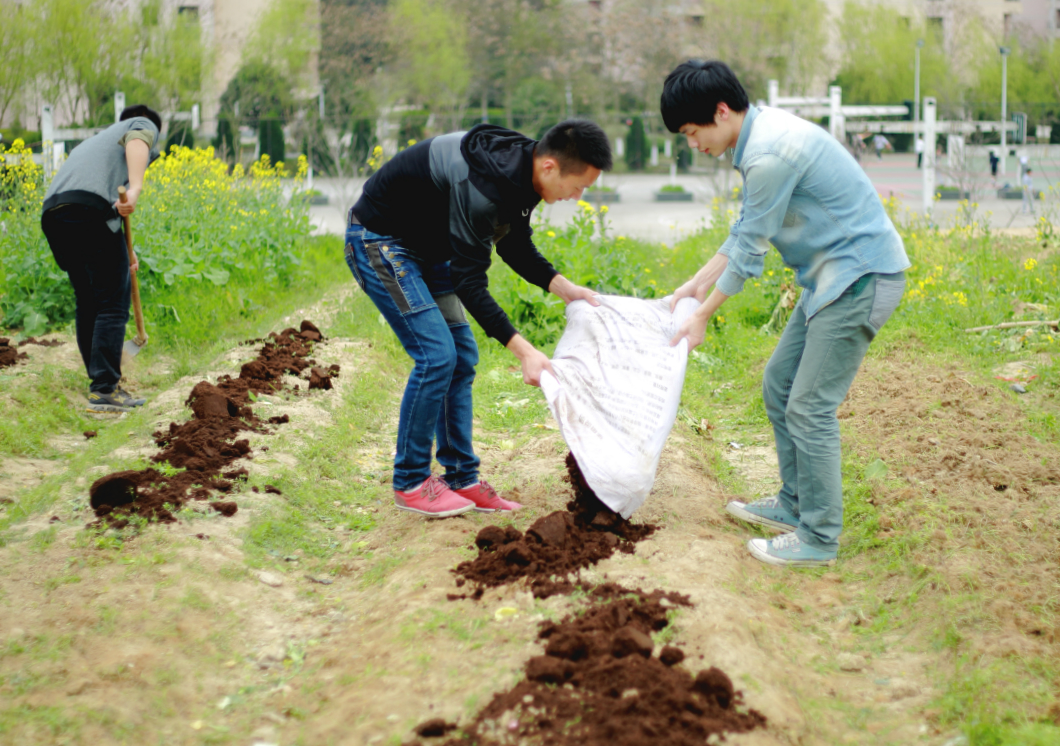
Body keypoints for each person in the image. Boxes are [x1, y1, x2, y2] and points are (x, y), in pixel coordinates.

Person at [659, 60, 909, 568]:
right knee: (780, 384)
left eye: (691, 132)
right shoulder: (760, 136)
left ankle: (818, 538)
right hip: (831, 280)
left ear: (721, 111)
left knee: (810, 406)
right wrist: (693, 286)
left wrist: (703, 314)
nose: (693, 144)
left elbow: (750, 250)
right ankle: (794, 506)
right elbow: (745, 229)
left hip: (860, 279)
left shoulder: (769, 154)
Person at [346, 120, 611, 518]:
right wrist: (525, 351)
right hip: (380, 242)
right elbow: (469, 283)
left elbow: (515, 243)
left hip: (429, 250)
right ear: (551, 166)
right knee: (437, 356)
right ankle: (411, 482)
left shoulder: (526, 170)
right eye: (578, 187)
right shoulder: (484, 186)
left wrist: (566, 289)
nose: (577, 197)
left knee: (461, 357)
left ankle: (460, 477)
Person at [40, 105, 160, 414]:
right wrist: (136, 188)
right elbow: (139, 137)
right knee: (112, 302)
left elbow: (98, 202)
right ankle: (105, 388)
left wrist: (125, 250)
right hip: (89, 211)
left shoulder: (95, 143)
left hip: (55, 214)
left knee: (89, 300)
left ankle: (100, 384)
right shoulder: (140, 122)